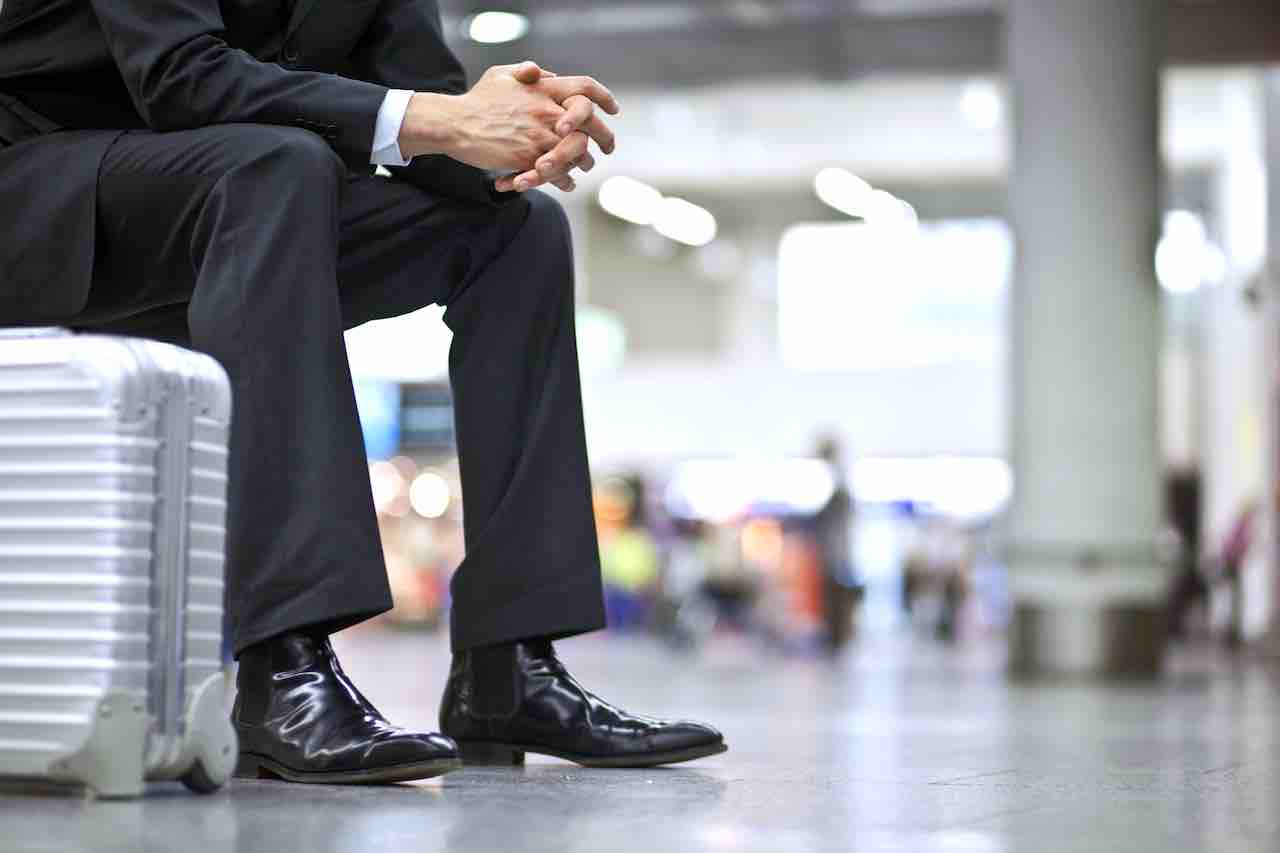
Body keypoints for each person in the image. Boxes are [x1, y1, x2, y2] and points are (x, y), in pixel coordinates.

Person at [0, 0, 725, 783]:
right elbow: (182, 78)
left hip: (248, 208)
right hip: (49, 192)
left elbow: (430, 119)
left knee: (521, 232)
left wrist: (517, 138)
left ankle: (509, 670)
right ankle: (283, 672)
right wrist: (440, 119)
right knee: (282, 165)